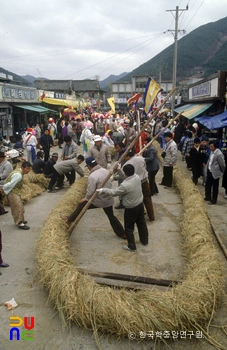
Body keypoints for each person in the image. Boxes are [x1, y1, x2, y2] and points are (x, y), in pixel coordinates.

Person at [61, 157, 126, 239]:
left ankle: (69, 220)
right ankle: (122, 233)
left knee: (82, 204)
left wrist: (86, 198)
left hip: (99, 200)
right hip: (108, 198)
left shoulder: (92, 176)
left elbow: (91, 191)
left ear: (89, 166)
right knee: (111, 216)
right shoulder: (105, 171)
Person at [97, 164, 149, 252]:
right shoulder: (136, 177)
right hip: (140, 205)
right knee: (142, 224)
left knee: (129, 227)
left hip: (131, 208)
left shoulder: (125, 185)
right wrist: (119, 170)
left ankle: (131, 246)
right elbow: (126, 177)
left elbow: (114, 192)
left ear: (126, 173)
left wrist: (103, 190)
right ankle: (144, 240)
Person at [122, 149, 155, 221]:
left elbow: (124, 175)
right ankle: (151, 217)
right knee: (147, 199)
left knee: (138, 200)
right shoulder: (141, 159)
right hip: (144, 181)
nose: (124, 158)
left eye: (125, 156)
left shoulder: (127, 164)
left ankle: (141, 216)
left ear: (128, 156)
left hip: (135, 184)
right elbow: (144, 167)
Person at [1, 161, 31, 230]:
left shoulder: (18, 171)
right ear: (22, 167)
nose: (28, 170)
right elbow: (10, 184)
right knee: (17, 208)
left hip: (16, 192)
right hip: (13, 192)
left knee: (20, 207)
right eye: (27, 169)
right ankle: (19, 223)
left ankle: (21, 219)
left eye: (29, 169)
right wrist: (3, 188)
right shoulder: (18, 175)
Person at [204, 140, 226, 205]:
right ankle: (208, 197)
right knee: (208, 185)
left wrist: (220, 171)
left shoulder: (219, 154)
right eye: (210, 146)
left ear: (215, 147)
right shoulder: (211, 152)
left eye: (211, 146)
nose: (210, 148)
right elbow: (209, 160)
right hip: (209, 171)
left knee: (215, 187)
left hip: (215, 172)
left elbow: (222, 165)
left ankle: (214, 200)